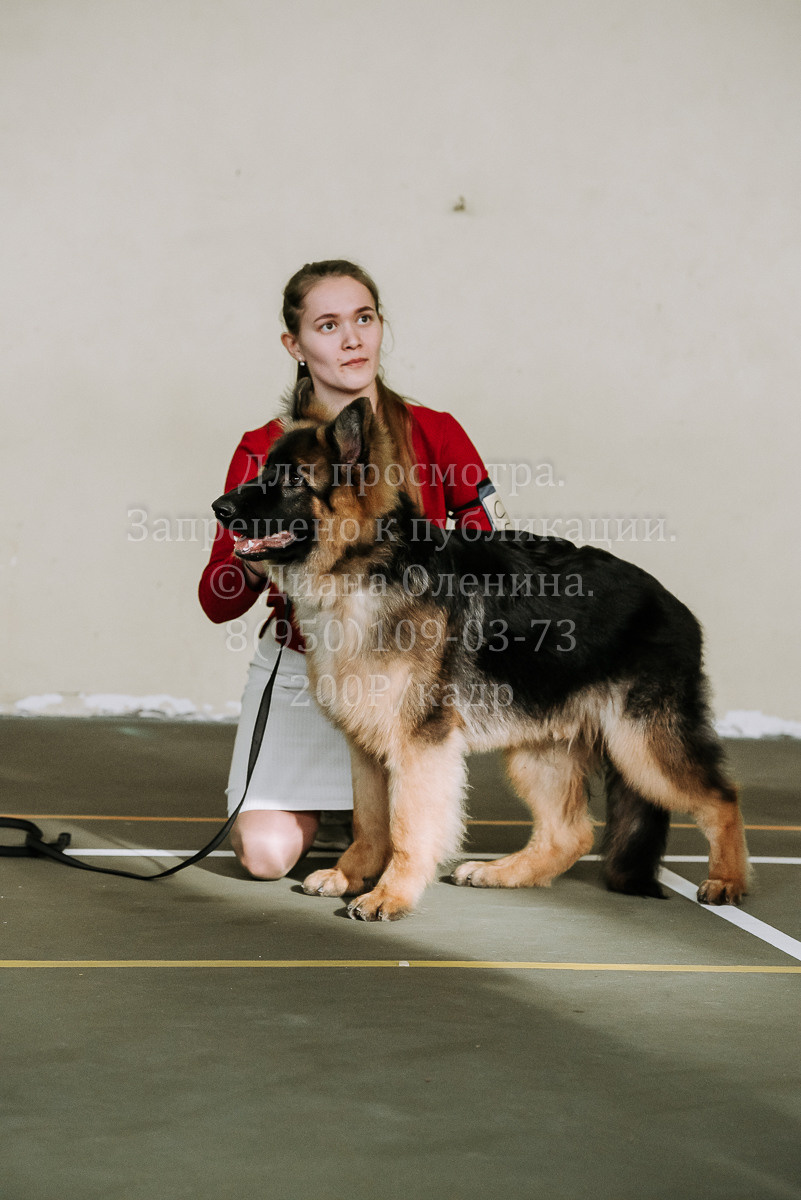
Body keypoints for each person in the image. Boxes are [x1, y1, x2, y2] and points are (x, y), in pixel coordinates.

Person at [199, 259, 499, 880]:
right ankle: (346, 811)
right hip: (308, 663)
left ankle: (379, 819)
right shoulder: (263, 446)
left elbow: (489, 555)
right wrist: (253, 561)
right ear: (296, 345)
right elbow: (217, 599)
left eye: (364, 318)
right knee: (265, 857)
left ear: (381, 326)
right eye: (328, 324)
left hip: (404, 667)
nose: (352, 339)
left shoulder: (438, 434)